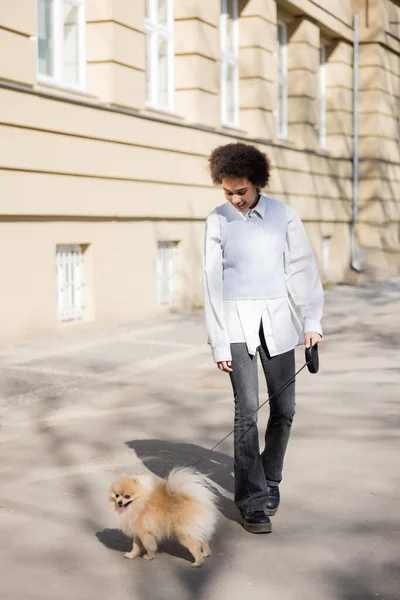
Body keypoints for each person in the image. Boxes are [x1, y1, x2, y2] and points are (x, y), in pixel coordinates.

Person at [203, 142, 324, 534]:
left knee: (285, 408)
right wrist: (219, 342)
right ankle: (251, 502)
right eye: (228, 192)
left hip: (277, 322)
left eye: (242, 191)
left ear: (257, 183)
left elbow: (301, 269)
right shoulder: (217, 220)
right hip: (235, 325)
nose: (235, 199)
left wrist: (312, 321)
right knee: (246, 414)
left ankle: (271, 478)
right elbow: (211, 283)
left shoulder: (283, 216)